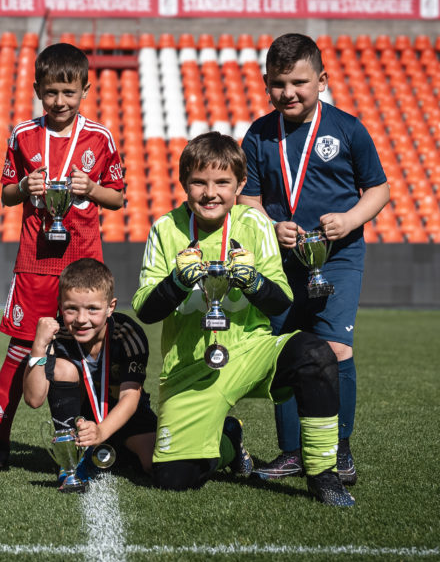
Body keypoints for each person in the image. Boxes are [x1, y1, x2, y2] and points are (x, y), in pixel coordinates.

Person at [132, 132, 354, 506]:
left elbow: (280, 301)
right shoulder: (165, 228)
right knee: (173, 479)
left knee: (315, 354)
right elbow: (145, 309)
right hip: (190, 365)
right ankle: (229, 441)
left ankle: (323, 474)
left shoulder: (255, 223)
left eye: (222, 183)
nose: (210, 193)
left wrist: (252, 281)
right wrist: (176, 282)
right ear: (184, 183)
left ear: (240, 184)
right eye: (199, 182)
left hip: (251, 352)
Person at [238, 33, 389, 486]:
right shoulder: (259, 134)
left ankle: (338, 452)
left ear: (321, 80)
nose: (289, 92)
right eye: (279, 83)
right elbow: (247, 198)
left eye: (299, 82)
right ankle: (291, 453)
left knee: (337, 348)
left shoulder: (347, 128)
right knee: (286, 350)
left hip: (338, 256)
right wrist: (270, 225)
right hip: (280, 262)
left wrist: (349, 219)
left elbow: (379, 189)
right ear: (266, 83)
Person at [0, 43, 126, 471]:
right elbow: (5, 194)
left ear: (85, 90)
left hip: (83, 266)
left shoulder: (100, 137)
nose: (60, 101)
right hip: (35, 264)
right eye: (51, 92)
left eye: (69, 92)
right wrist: (25, 187)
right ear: (38, 88)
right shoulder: (23, 134)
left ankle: (96, 437)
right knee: (20, 353)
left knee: (93, 354)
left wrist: (89, 189)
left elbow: (117, 199)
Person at [23, 258, 156, 491]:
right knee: (64, 368)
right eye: (71, 309)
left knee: (154, 465)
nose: (82, 319)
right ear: (60, 305)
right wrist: (38, 347)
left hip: (125, 415)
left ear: (110, 307)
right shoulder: (56, 335)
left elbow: (130, 398)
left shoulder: (127, 335)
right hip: (80, 422)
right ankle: (71, 454)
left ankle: (228, 436)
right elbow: (34, 399)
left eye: (93, 309)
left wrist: (102, 431)